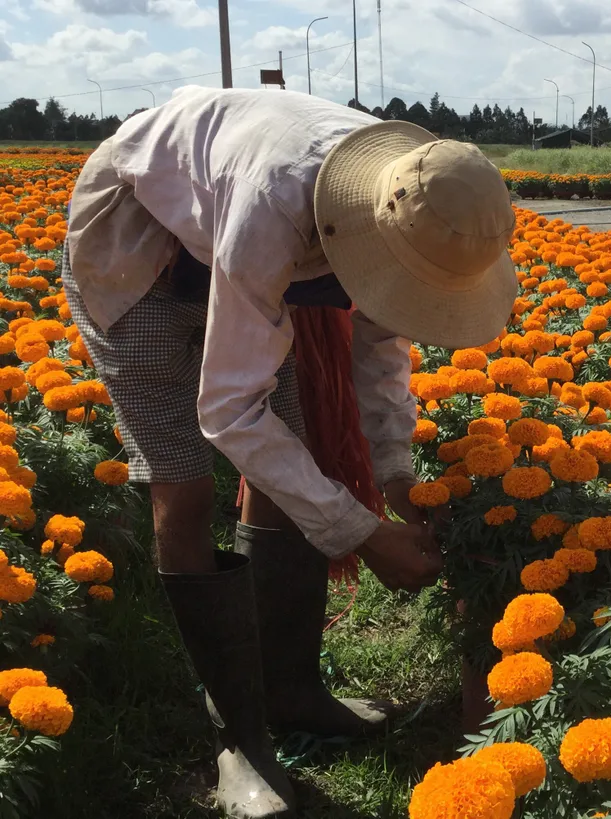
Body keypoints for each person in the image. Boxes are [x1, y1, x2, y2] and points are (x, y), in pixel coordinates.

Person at [64, 86, 517, 819]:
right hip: (135, 249)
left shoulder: (417, 202)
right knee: (185, 489)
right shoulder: (278, 204)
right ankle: (241, 743)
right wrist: (362, 533)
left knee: (288, 459)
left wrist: (397, 478)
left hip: (232, 242)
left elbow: (381, 349)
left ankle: (294, 691)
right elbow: (228, 411)